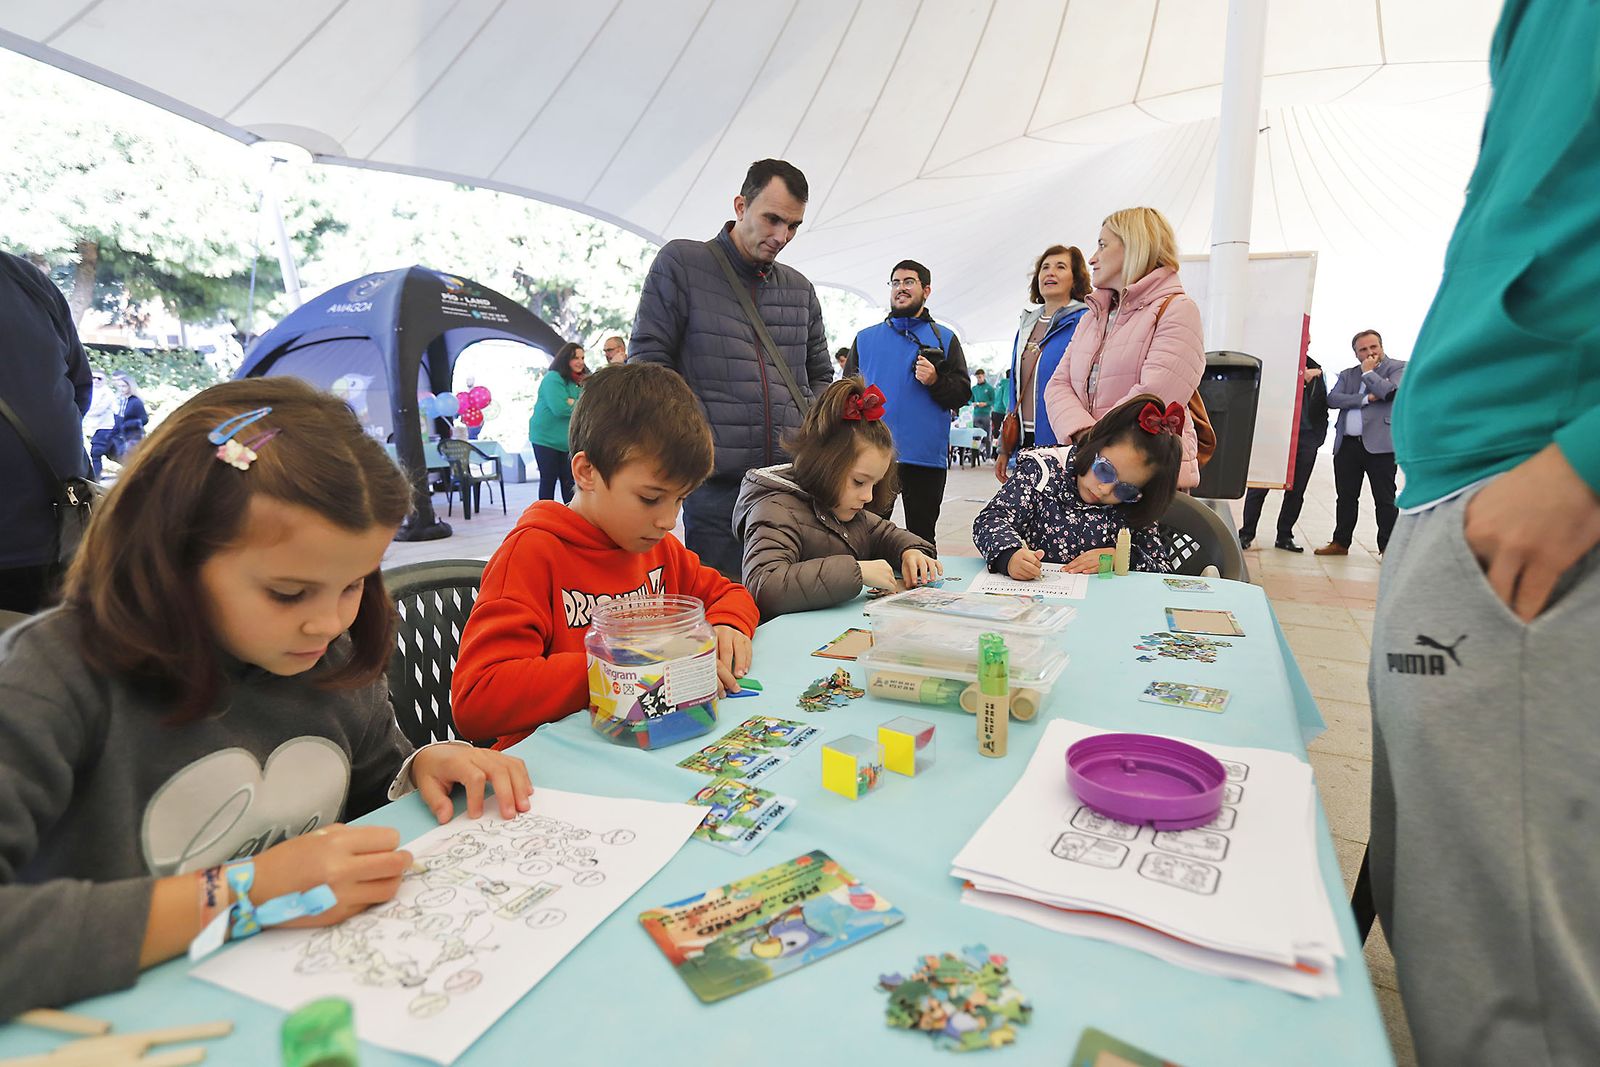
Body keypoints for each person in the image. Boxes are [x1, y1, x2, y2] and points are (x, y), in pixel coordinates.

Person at [0, 377, 532, 1017]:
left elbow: (368, 783)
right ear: (173, 554)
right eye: (288, 593)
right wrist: (247, 891)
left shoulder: (327, 655)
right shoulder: (52, 679)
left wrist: (419, 766)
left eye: (355, 584)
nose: (330, 623)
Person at [1369, 2, 1600, 1061]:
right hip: (1469, 488)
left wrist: (1583, 463)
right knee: (1449, 925)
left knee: (1514, 993)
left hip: (1531, 491)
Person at [452, 363, 760, 749]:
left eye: (680, 498)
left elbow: (728, 594)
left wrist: (728, 625)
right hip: (552, 768)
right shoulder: (533, 554)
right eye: (650, 498)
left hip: (651, 746)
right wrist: (625, 669)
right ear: (586, 472)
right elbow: (477, 699)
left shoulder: (658, 548)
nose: (668, 520)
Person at [630, 159, 832, 579]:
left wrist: (804, 430)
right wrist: (693, 440)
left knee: (788, 612)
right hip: (715, 487)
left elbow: (820, 374)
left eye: (793, 225)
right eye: (772, 219)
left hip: (789, 486)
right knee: (723, 616)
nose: (782, 236)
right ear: (741, 205)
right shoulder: (682, 264)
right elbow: (648, 366)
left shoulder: (800, 289)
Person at [733, 377, 942, 619]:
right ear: (825, 464)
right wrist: (856, 571)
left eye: (874, 484)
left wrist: (910, 551)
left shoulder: (844, 506)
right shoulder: (774, 509)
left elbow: (886, 534)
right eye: (859, 482)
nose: (868, 496)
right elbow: (764, 585)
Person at [1043, 209, 1205, 489]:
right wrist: (1083, 433)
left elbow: (1153, 397)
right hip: (1092, 471)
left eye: (1103, 245)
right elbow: (1058, 384)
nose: (1093, 257)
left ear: (1135, 245)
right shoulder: (1091, 317)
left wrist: (1094, 441)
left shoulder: (1177, 310)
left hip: (1145, 479)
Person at [973, 395, 1181, 578]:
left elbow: (1162, 570)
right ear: (1094, 442)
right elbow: (990, 520)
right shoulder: (1043, 472)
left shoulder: (1135, 505)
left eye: (1125, 489)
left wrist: (1122, 557)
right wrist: (1009, 556)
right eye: (1105, 471)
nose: (1105, 490)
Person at [845, 260, 972, 547]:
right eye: (895, 282)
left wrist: (936, 380)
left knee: (922, 537)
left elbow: (962, 394)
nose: (900, 288)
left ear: (926, 290)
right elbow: (845, 396)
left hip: (925, 457)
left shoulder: (945, 338)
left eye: (909, 282)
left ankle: (926, 591)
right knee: (866, 535)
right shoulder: (865, 338)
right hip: (873, 453)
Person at [0, 251, 93, 614]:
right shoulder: (25, 280)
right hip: (60, 535)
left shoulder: (24, 278)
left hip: (57, 542)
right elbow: (78, 390)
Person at [997, 246, 1093, 482]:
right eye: (1045, 267)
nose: (1050, 273)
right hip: (1024, 441)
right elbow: (1015, 387)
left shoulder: (1085, 320)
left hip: (1063, 441)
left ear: (1076, 278)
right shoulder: (1027, 325)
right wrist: (1004, 447)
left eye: (1061, 267)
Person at [1315, 330, 1405, 556]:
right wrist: (1365, 398)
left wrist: (1368, 374)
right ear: (1355, 353)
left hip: (1381, 446)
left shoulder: (1397, 368)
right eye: (1362, 349)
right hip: (1348, 445)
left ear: (1381, 346)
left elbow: (1388, 392)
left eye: (1373, 347)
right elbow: (1334, 399)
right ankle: (1340, 542)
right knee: (1346, 496)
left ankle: (1389, 548)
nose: (1369, 353)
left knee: (1384, 498)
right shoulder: (1347, 374)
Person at [1239, 355, 1328, 552]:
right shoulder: (1277, 363)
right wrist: (1298, 379)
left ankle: (1284, 535)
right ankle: (1246, 533)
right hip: (1276, 436)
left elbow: (1323, 405)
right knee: (1259, 487)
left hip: (1306, 439)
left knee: (1297, 491)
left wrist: (1316, 439)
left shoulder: (1317, 371)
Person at [529, 342, 587, 503]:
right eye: (576, 357)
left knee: (569, 484)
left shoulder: (579, 380)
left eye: (582, 357)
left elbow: (587, 405)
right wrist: (576, 402)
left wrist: (572, 401)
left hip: (567, 442)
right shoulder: (553, 378)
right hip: (545, 439)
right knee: (548, 480)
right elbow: (559, 408)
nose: (580, 361)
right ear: (565, 359)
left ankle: (569, 521)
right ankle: (543, 520)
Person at [84, 368, 117, 480]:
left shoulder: (107, 393)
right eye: (93, 378)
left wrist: (84, 411)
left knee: (96, 453)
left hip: (105, 427)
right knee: (112, 453)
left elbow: (98, 410)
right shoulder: (92, 391)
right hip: (95, 428)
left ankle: (96, 478)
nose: (96, 380)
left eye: (99, 378)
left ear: (105, 380)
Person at [111, 371, 149, 461]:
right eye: (119, 386)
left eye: (124, 386)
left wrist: (130, 424)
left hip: (133, 435)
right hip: (120, 434)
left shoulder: (135, 402)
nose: (121, 389)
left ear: (130, 387)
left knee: (132, 459)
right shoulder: (120, 400)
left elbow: (144, 419)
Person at [969, 369, 995, 451]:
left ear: (984, 376)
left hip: (986, 415)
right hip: (976, 414)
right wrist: (972, 403)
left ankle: (988, 456)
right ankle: (974, 454)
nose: (978, 379)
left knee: (987, 436)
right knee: (975, 436)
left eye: (980, 377)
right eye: (977, 378)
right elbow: (970, 400)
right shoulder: (974, 389)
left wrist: (986, 404)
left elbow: (993, 401)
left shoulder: (990, 388)